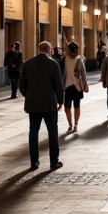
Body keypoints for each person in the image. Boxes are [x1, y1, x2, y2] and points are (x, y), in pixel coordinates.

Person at [18, 41, 65, 170]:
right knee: (52, 132)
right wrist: (61, 101)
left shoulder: (28, 63)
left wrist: (29, 95)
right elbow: (58, 85)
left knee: (33, 131)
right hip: (49, 104)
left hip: (33, 104)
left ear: (38, 49)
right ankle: (53, 161)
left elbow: (21, 84)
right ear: (49, 50)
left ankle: (34, 162)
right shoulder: (53, 64)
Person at [62, 41, 90, 133]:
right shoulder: (64, 59)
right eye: (72, 51)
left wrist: (85, 86)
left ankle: (76, 125)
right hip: (67, 86)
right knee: (67, 107)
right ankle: (70, 124)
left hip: (77, 86)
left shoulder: (79, 59)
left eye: (75, 51)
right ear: (68, 51)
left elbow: (83, 74)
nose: (74, 53)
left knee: (77, 106)